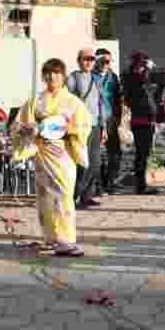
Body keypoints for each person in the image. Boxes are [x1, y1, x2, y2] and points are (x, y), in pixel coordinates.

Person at [10, 58, 92, 257]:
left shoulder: (73, 102)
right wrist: (25, 129)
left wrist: (68, 130)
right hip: (41, 151)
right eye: (47, 73)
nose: (51, 76)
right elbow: (17, 125)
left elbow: (84, 125)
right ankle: (50, 238)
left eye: (56, 73)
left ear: (64, 76)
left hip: (62, 151)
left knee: (63, 195)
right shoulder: (35, 101)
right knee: (45, 197)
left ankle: (66, 240)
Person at [67, 48, 107, 209]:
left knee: (95, 162)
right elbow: (67, 101)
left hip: (96, 125)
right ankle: (74, 196)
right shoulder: (72, 78)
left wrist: (103, 126)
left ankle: (87, 195)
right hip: (80, 126)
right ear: (79, 60)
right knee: (81, 162)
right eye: (86, 59)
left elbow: (101, 103)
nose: (89, 61)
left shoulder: (96, 79)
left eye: (92, 59)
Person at [120, 51, 159, 195]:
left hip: (145, 119)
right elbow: (141, 89)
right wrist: (147, 70)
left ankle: (141, 184)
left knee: (143, 153)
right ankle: (140, 186)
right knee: (142, 153)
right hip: (142, 120)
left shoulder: (134, 78)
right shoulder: (136, 79)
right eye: (143, 64)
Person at [94, 48, 122, 194]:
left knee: (115, 152)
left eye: (108, 61)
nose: (106, 63)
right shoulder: (91, 76)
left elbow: (118, 99)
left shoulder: (113, 77)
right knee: (97, 153)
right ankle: (97, 185)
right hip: (95, 119)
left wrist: (118, 118)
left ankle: (110, 183)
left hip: (110, 118)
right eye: (103, 60)